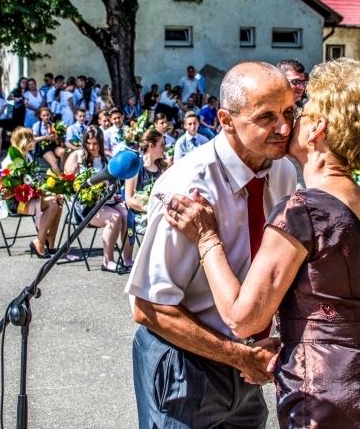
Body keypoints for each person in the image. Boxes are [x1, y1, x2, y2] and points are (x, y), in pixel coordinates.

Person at [153, 58, 360, 429]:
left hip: (326, 396)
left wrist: (208, 239)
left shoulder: (302, 212)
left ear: (318, 128)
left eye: (300, 112)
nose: (290, 123)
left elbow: (244, 318)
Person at [126, 62, 296, 429]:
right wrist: (238, 356)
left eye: (289, 112)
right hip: (185, 361)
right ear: (226, 119)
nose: (283, 127)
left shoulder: (283, 172)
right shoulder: (188, 188)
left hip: (247, 361)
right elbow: (149, 308)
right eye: (266, 116)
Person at [64, 126, 134, 273]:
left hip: (106, 200)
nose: (91, 147)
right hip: (84, 206)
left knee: (128, 216)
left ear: (101, 143)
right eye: (88, 143)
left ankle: (127, 260)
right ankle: (108, 261)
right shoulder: (76, 156)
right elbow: (68, 186)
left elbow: (114, 183)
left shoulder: (107, 158)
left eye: (95, 144)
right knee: (114, 217)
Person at [2, 127, 63, 258]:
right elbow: (13, 189)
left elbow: (31, 183)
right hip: (17, 201)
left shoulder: (27, 156)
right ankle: (39, 241)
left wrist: (47, 192)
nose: (35, 141)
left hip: (28, 197)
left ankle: (50, 241)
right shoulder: (10, 161)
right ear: (24, 141)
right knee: (52, 204)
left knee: (57, 199)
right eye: (31, 138)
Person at [123, 128, 167, 238]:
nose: (164, 148)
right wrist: (150, 208)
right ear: (151, 146)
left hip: (161, 213)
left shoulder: (163, 168)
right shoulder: (135, 167)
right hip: (141, 214)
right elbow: (129, 199)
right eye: (162, 145)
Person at [32, 106, 66, 173]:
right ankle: (59, 178)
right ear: (40, 116)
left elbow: (60, 139)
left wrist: (56, 138)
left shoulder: (53, 125)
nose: (46, 117)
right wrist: (45, 137)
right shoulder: (36, 125)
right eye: (44, 115)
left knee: (63, 152)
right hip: (43, 147)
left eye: (47, 115)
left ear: (50, 115)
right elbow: (34, 138)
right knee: (54, 161)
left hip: (53, 145)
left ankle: (66, 171)